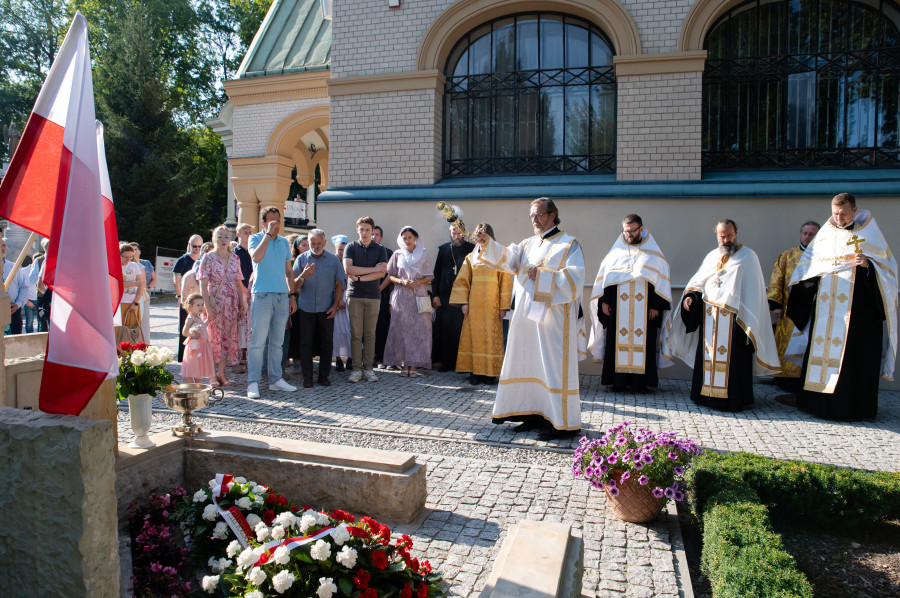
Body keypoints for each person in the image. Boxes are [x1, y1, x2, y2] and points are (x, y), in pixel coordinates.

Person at [473, 198, 585, 440]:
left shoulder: (569, 244)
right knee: (528, 362)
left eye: (539, 215)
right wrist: (487, 243)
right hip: (526, 319)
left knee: (551, 367)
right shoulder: (527, 244)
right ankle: (531, 414)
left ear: (553, 215)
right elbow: (508, 259)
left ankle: (559, 423)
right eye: (532, 215)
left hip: (553, 321)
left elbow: (575, 280)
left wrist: (542, 276)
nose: (534, 219)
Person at [786, 193, 897, 420]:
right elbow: (809, 269)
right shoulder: (825, 235)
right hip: (825, 312)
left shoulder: (870, 235)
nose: (839, 218)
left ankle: (850, 408)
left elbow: (889, 274)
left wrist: (868, 266)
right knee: (820, 353)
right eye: (835, 213)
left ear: (854, 210)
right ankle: (816, 404)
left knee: (852, 360)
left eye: (844, 213)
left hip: (858, 314)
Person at [663, 219, 779, 411]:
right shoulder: (712, 256)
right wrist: (690, 297)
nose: (726, 240)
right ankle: (705, 396)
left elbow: (753, 293)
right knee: (708, 357)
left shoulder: (749, 257)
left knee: (734, 364)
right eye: (722, 236)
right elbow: (698, 283)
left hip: (736, 322)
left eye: (729, 235)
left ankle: (733, 400)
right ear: (717, 235)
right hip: (710, 319)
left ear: (736, 233)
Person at [588, 215, 672, 393]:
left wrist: (656, 305)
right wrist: (604, 301)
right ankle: (617, 381)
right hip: (618, 308)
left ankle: (640, 383)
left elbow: (660, 282)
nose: (629, 234)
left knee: (645, 343)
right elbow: (607, 279)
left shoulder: (653, 255)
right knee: (615, 342)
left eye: (632, 231)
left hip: (645, 309)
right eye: (626, 231)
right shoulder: (616, 253)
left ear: (641, 229)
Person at [450, 223, 512, 385]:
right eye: (478, 235)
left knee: (491, 339)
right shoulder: (470, 258)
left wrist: (503, 306)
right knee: (474, 338)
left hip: (493, 306)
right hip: (474, 306)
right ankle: (475, 373)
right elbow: (463, 281)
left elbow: (506, 282)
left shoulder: (499, 256)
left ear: (490, 236)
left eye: (484, 235)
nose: (480, 238)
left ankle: (490, 374)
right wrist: (463, 303)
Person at [247, 207, 298, 399]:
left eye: (278, 220)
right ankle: (253, 382)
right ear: (263, 223)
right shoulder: (255, 238)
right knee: (258, 342)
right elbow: (256, 257)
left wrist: (291, 294)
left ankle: (276, 379)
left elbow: (288, 271)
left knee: (278, 342)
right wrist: (268, 234)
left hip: (281, 296)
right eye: (272, 221)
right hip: (262, 295)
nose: (276, 224)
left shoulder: (284, 242)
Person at [766, 221, 820, 393]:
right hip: (789, 311)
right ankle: (786, 380)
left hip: (814, 311)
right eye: (805, 233)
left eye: (811, 234)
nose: (807, 237)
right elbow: (776, 280)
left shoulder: (823, 257)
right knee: (788, 343)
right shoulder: (787, 256)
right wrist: (776, 305)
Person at [293, 229, 345, 387]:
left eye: (319, 243)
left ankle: (324, 376)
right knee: (305, 344)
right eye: (312, 243)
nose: (316, 246)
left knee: (326, 343)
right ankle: (307, 377)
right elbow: (293, 285)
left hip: (326, 309)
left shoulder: (333, 260)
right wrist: (304, 275)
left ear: (325, 243)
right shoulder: (301, 259)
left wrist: (335, 306)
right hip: (306, 309)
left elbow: (339, 284)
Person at [384, 227, 434, 377]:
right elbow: (390, 275)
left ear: (416, 238)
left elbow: (430, 276)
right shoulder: (397, 254)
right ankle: (404, 363)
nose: (407, 240)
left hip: (419, 295)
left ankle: (415, 365)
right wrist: (401, 281)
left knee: (419, 330)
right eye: (404, 238)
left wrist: (418, 282)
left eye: (410, 237)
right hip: (401, 295)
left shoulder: (424, 254)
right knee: (401, 329)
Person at [199, 226, 246, 387]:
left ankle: (222, 373)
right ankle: (212, 375)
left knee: (227, 339)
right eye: (220, 236)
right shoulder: (208, 258)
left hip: (231, 304)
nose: (223, 240)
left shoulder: (235, 258)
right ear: (214, 239)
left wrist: (242, 305)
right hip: (215, 302)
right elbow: (203, 285)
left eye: (226, 236)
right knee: (213, 339)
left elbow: (238, 283)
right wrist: (207, 308)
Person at [343, 216, 388, 383]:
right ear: (357, 230)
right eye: (361, 229)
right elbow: (348, 269)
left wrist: (360, 277)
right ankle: (356, 369)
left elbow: (382, 273)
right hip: (354, 295)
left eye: (367, 230)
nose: (364, 232)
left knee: (370, 334)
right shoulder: (351, 247)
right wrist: (372, 269)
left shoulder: (380, 249)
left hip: (373, 296)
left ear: (372, 231)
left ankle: (368, 369)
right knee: (356, 334)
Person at [431, 225, 475, 371]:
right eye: (453, 233)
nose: (456, 236)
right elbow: (436, 273)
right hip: (444, 297)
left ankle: (459, 363)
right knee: (445, 330)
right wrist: (435, 295)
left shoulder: (471, 249)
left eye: (459, 233)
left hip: (463, 298)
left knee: (460, 330)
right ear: (450, 233)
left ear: (464, 233)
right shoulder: (444, 249)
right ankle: (445, 362)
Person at [173, 235, 203, 361]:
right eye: (195, 246)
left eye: (199, 246)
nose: (197, 249)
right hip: (187, 299)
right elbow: (177, 279)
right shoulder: (183, 260)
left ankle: (198, 355)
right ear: (189, 245)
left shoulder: (203, 260)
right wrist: (180, 296)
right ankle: (183, 356)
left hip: (200, 301)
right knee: (185, 327)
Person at [180, 293, 215, 384]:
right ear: (190, 307)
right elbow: (184, 332)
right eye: (198, 305)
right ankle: (190, 387)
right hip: (194, 347)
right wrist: (192, 332)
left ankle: (198, 387)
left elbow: (202, 326)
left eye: (202, 305)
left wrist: (208, 320)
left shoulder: (197, 317)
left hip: (200, 347)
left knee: (198, 370)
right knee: (192, 368)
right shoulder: (190, 318)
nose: (201, 307)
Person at [1, 237, 33, 335]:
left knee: (15, 339)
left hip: (13, 310)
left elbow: (24, 287)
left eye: (3, 245)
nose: (2, 247)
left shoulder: (13, 267)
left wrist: (18, 304)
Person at [330, 235, 352, 373]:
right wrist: (337, 300)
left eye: (345, 249)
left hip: (349, 297)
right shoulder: (332, 262)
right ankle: (338, 359)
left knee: (349, 330)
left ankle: (350, 358)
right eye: (340, 249)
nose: (342, 252)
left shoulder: (350, 261)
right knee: (336, 331)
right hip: (335, 298)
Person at [233, 223, 253, 372]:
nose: (248, 235)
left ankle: (249, 357)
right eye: (245, 232)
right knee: (238, 326)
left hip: (252, 292)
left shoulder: (254, 251)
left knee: (249, 326)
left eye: (250, 232)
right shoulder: (234, 253)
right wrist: (245, 291)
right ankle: (237, 358)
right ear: (238, 234)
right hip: (239, 292)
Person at [373, 225, 393, 368]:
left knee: (381, 326)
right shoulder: (363, 251)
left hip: (382, 294)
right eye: (372, 234)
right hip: (366, 293)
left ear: (381, 237)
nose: (374, 237)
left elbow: (390, 274)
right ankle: (368, 357)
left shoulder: (388, 252)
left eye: (377, 234)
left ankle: (380, 356)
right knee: (367, 327)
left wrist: (379, 289)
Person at [117, 242, 146, 338]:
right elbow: (116, 285)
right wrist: (135, 283)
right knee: (118, 333)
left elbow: (141, 284)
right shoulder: (114, 266)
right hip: (119, 303)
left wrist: (135, 302)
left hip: (132, 303)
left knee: (132, 333)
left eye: (130, 257)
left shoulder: (134, 265)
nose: (128, 260)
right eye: (125, 257)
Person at [131, 242, 157, 343]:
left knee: (145, 321)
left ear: (139, 251)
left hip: (145, 295)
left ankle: (145, 344)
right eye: (132, 249)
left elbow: (154, 279)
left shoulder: (146, 263)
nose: (135, 251)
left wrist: (148, 288)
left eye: (136, 249)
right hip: (133, 295)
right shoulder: (129, 265)